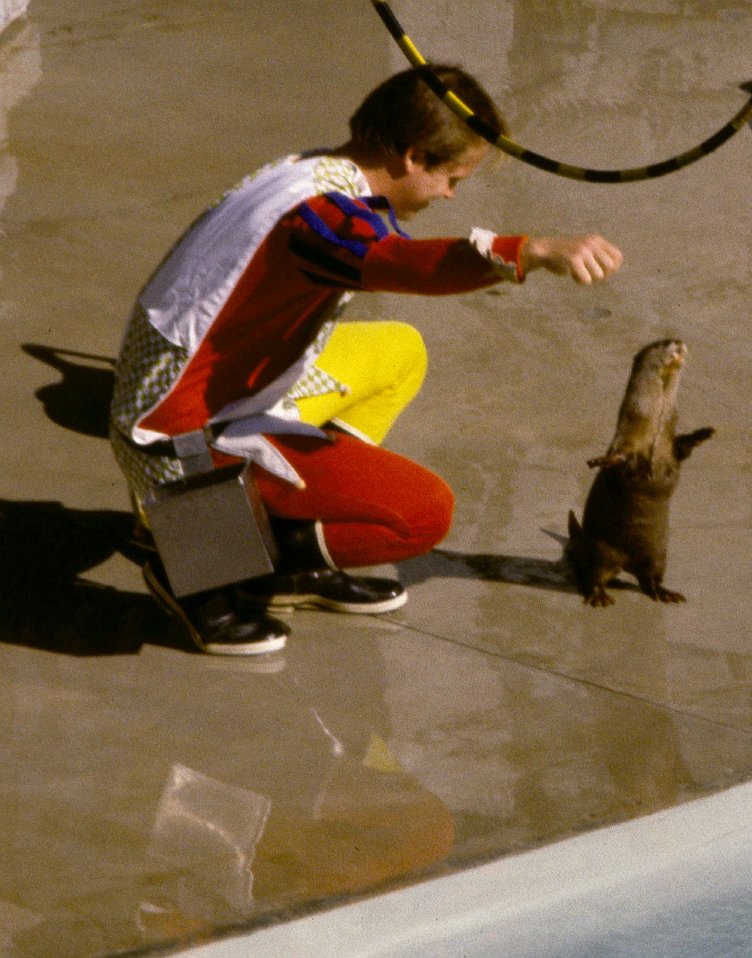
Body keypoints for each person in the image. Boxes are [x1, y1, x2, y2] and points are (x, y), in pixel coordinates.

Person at [109, 65, 623, 656]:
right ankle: (200, 558)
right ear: (412, 155)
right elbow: (396, 262)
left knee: (398, 351)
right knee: (420, 514)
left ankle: (282, 531)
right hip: (178, 428)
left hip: (197, 381)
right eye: (450, 178)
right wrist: (523, 251)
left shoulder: (309, 173)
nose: (450, 196)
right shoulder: (320, 216)